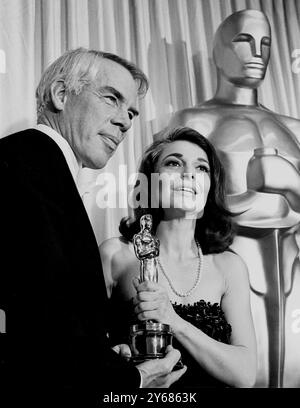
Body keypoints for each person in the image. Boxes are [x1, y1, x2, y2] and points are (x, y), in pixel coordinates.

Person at [0, 48, 186, 400]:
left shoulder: (46, 173)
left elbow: (47, 321)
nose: (126, 122)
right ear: (60, 94)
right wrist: (134, 382)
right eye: (112, 99)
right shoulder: (23, 168)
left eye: (131, 112)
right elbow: (40, 331)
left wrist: (101, 361)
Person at [165, 9, 300, 388]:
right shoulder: (196, 120)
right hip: (230, 261)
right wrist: (261, 197)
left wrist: (290, 184)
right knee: (245, 371)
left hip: (292, 264)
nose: (257, 52)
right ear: (218, 51)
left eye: (266, 42)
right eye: (244, 40)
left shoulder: (292, 126)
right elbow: (181, 198)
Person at [100, 126, 257, 388]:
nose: (188, 175)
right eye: (174, 163)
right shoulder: (116, 255)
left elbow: (245, 375)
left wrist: (173, 320)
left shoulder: (229, 266)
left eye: (201, 168)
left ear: (210, 187)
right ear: (150, 182)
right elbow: (77, 351)